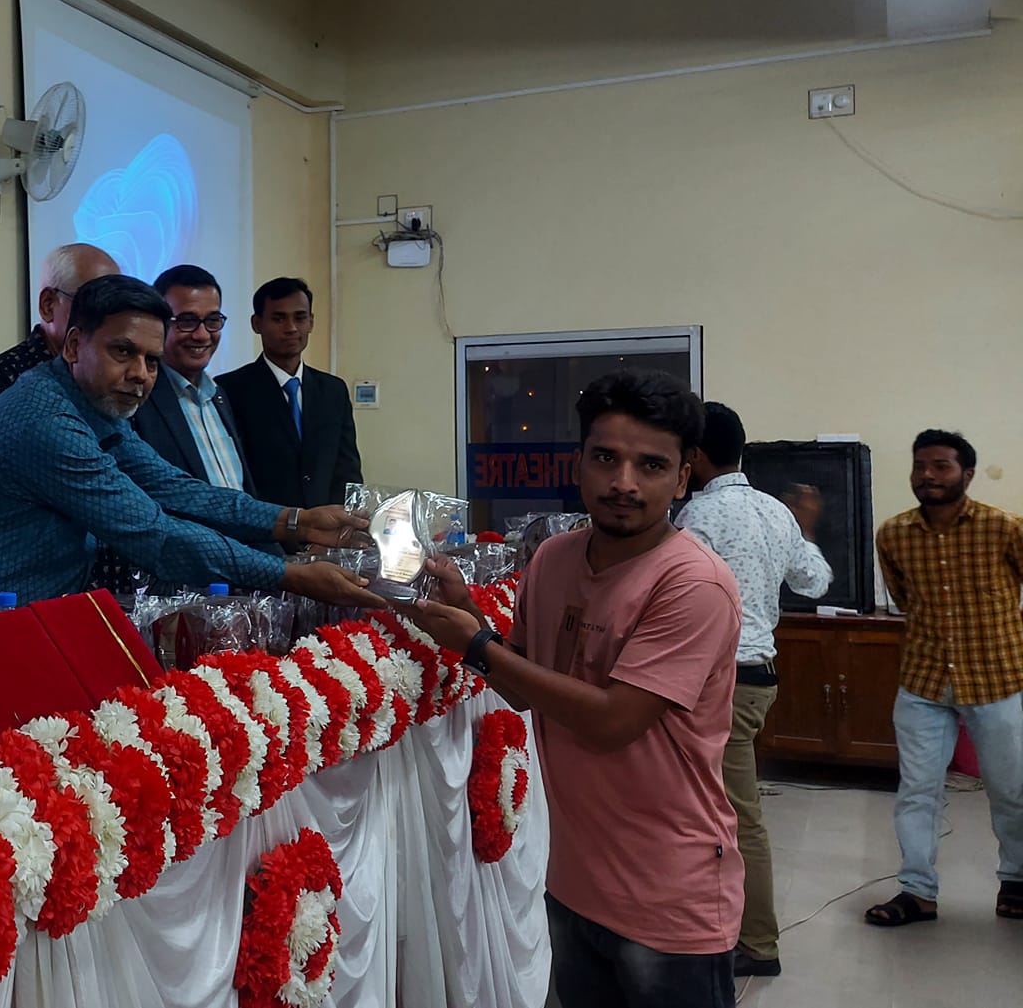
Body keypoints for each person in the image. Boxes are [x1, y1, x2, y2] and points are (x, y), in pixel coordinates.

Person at [403, 369, 742, 1008]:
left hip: (669, 897)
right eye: (606, 458)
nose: (624, 483)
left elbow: (613, 721)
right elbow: (528, 686)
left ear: (682, 478)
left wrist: (474, 645)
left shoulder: (693, 582)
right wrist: (469, 614)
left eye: (651, 465)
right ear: (578, 463)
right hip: (573, 879)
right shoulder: (554, 558)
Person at [0, 275, 384, 616]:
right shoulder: (46, 421)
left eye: (152, 360)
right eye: (122, 351)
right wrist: (289, 575)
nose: (140, 375)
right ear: (74, 345)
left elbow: (174, 487)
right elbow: (156, 534)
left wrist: (298, 520)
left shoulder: (94, 407)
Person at [675, 402, 832, 978]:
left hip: (720, 684)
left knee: (737, 817)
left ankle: (759, 944)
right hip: (760, 677)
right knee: (721, 810)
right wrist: (803, 531)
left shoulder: (697, 518)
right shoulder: (775, 510)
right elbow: (815, 581)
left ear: (694, 455)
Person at [864, 429, 1023, 927]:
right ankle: (918, 892)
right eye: (920, 466)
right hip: (924, 681)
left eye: (940, 466)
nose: (927, 475)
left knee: (1012, 790)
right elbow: (904, 600)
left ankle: (1016, 881)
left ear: (967, 474)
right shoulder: (893, 534)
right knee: (917, 791)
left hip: (996, 679)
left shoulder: (1004, 528)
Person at [217, 277, 362, 509]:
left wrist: (344, 522)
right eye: (278, 318)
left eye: (300, 317)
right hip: (263, 526)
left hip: (327, 527)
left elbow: (348, 470)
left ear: (311, 322)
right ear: (256, 323)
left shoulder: (333, 390)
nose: (291, 328)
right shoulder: (229, 390)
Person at [0, 242, 120, 417]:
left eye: (116, 308)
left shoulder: (115, 374)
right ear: (48, 305)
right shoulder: (3, 376)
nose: (109, 320)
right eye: (95, 305)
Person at [130, 264, 250, 489]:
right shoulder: (138, 401)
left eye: (212, 320)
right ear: (159, 324)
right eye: (187, 321)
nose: (202, 335)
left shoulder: (219, 395)